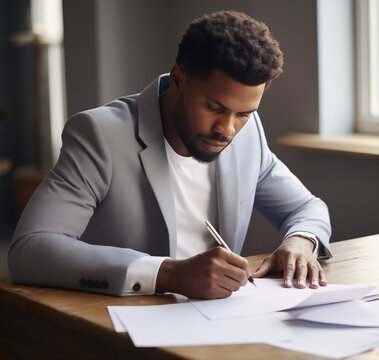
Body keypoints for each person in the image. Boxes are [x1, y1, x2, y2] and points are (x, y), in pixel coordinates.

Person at [8, 10, 332, 299]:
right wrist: (168, 274)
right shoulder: (100, 134)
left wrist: (301, 241)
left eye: (243, 113)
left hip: (221, 321)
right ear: (178, 79)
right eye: (214, 107)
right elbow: (31, 248)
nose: (227, 129)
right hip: (121, 326)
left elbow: (306, 207)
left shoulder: (248, 134)